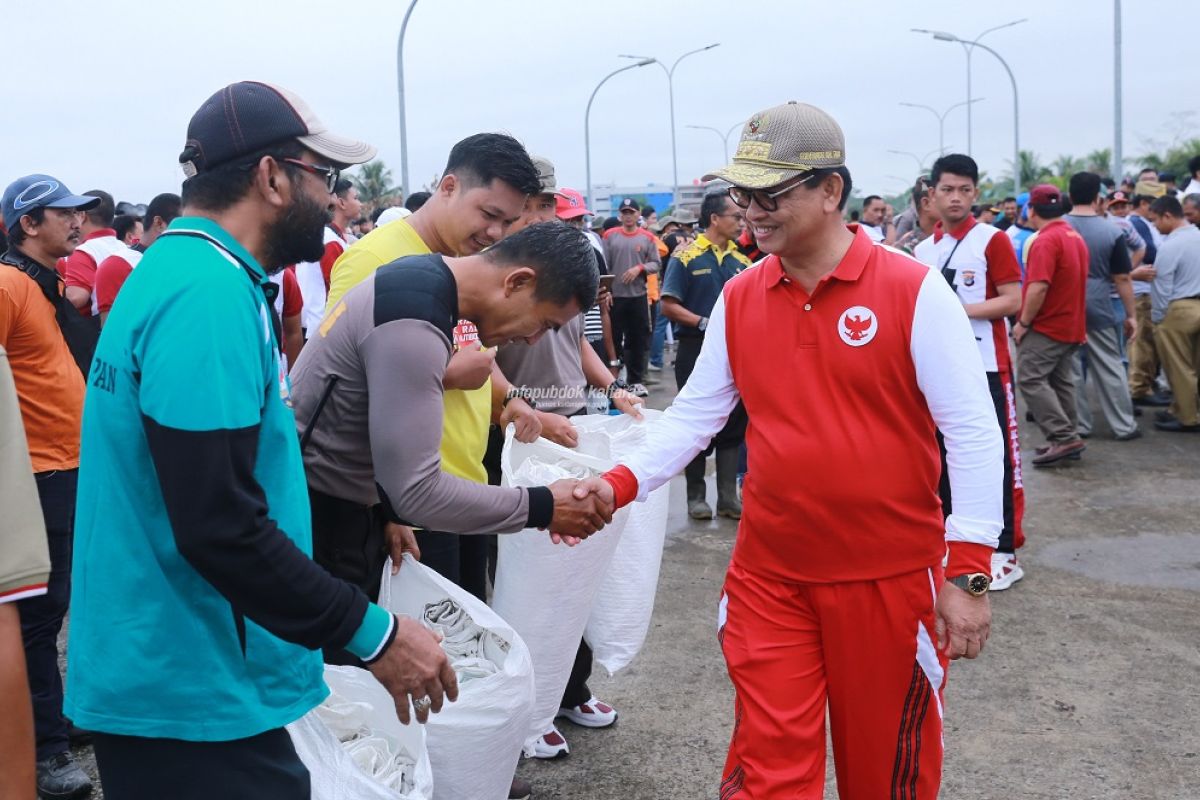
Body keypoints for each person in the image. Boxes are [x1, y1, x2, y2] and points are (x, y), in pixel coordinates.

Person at [575, 101, 1002, 799]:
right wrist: (619, 482)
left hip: (888, 581)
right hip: (770, 579)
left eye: (770, 195)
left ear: (830, 191)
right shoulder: (743, 297)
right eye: (744, 195)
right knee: (768, 775)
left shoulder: (912, 291)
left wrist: (971, 566)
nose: (751, 213)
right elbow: (693, 419)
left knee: (885, 774)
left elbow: (973, 431)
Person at [66, 81, 459, 800]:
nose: (336, 197)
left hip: (183, 668)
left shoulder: (194, 272)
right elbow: (218, 522)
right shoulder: (203, 293)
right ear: (273, 177)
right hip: (188, 683)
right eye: (326, 178)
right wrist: (373, 634)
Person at [0, 174, 100, 800]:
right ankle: (44, 751)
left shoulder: (47, 285)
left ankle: (51, 724)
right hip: (39, 473)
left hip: (69, 467)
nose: (77, 221)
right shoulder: (8, 283)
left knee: (56, 608)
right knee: (38, 619)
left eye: (78, 212)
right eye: (62, 212)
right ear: (27, 224)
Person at [915, 154, 1025, 591]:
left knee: (997, 459)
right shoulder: (925, 249)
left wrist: (956, 313)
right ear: (931, 196)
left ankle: (1005, 552)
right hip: (941, 371)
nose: (956, 198)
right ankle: (949, 539)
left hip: (988, 366)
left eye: (964, 190)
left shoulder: (991, 240)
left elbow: (1013, 300)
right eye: (947, 190)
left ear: (976, 194)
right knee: (941, 457)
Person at [660, 190, 751, 521]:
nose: (741, 222)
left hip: (735, 352)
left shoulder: (742, 261)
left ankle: (728, 497)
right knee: (697, 420)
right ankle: (696, 497)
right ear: (714, 219)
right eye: (735, 217)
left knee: (735, 422)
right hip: (695, 349)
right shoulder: (685, 257)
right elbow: (668, 304)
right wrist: (702, 322)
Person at [0, 345, 52, 800]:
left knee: (42, 615)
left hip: (55, 461)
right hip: (44, 464)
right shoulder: (10, 286)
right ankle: (52, 746)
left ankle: (52, 736)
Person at [1014, 184, 1090, 465]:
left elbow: (1038, 288)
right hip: (1070, 323)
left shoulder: (1045, 240)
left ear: (1031, 210)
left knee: (1029, 378)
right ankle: (1066, 437)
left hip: (1049, 325)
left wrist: (1023, 322)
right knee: (1061, 381)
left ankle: (1064, 437)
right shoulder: (1073, 235)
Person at [1064, 172, 1140, 441]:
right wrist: (1131, 315)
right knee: (1110, 366)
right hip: (1099, 304)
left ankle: (1079, 425)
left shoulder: (1056, 228)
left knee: (1070, 369)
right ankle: (1123, 425)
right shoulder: (1112, 231)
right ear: (1098, 198)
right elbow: (1122, 277)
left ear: (1070, 196)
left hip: (1065, 307)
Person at [1147, 195, 1200, 432]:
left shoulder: (1171, 245)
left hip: (1179, 309)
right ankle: (1185, 410)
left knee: (1178, 367)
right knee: (1196, 366)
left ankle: (1188, 417)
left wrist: (1158, 317)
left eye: (1156, 220)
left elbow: (1162, 285)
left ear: (1167, 215)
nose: (1155, 226)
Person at [603, 197, 661, 396]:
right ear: (620, 215)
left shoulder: (647, 237)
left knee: (638, 337)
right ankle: (615, 377)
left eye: (631, 212)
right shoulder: (610, 236)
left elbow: (656, 263)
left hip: (638, 295)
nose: (628, 216)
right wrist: (607, 290)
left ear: (638, 215)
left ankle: (635, 379)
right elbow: (605, 266)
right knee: (614, 337)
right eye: (624, 212)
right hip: (616, 296)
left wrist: (640, 268)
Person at [94, 192, 181, 324]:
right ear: (158, 223)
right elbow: (111, 330)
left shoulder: (182, 262)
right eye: (180, 227)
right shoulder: (119, 264)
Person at [1116, 192, 1168, 405]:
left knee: (1143, 342)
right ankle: (1138, 388)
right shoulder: (1136, 223)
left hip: (1142, 290)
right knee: (1141, 342)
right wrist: (1131, 272)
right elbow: (1150, 253)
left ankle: (1141, 385)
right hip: (1139, 291)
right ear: (1144, 204)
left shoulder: (1141, 223)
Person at [63, 190, 124, 315]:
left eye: (74, 213)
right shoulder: (124, 248)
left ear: (82, 216)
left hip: (96, 329)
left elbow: (76, 298)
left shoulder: (84, 252)